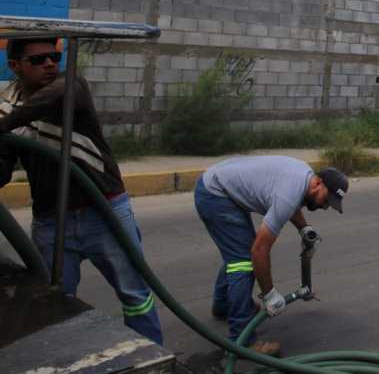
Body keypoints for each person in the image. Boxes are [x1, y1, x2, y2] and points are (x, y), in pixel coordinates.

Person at [0, 37, 163, 345]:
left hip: (104, 212)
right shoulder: (6, 107)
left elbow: (51, 98)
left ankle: (154, 357)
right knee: (52, 303)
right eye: (38, 60)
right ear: (14, 66)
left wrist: (5, 122)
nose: (49, 63)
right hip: (51, 220)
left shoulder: (70, 84)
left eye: (53, 56)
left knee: (135, 295)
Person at [194, 155, 348, 355]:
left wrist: (304, 228)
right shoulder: (290, 194)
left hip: (218, 186)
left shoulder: (303, 176)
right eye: (326, 200)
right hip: (216, 194)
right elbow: (259, 251)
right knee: (244, 261)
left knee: (237, 252)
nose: (325, 206)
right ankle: (242, 341)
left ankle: (223, 305)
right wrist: (269, 295)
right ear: (317, 182)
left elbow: (291, 202)